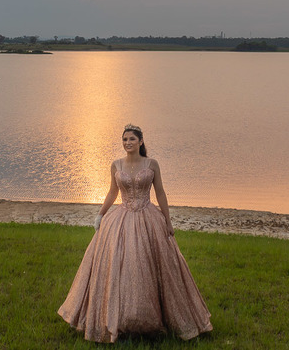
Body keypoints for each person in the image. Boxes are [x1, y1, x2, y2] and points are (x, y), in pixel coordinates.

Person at [58, 124, 213, 343]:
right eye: (124, 140)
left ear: (141, 142)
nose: (127, 143)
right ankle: (118, 320)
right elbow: (113, 192)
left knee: (150, 264)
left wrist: (168, 221)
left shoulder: (152, 164)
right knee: (121, 265)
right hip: (121, 220)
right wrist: (100, 215)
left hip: (149, 218)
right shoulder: (116, 165)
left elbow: (160, 193)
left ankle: (154, 320)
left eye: (131, 139)